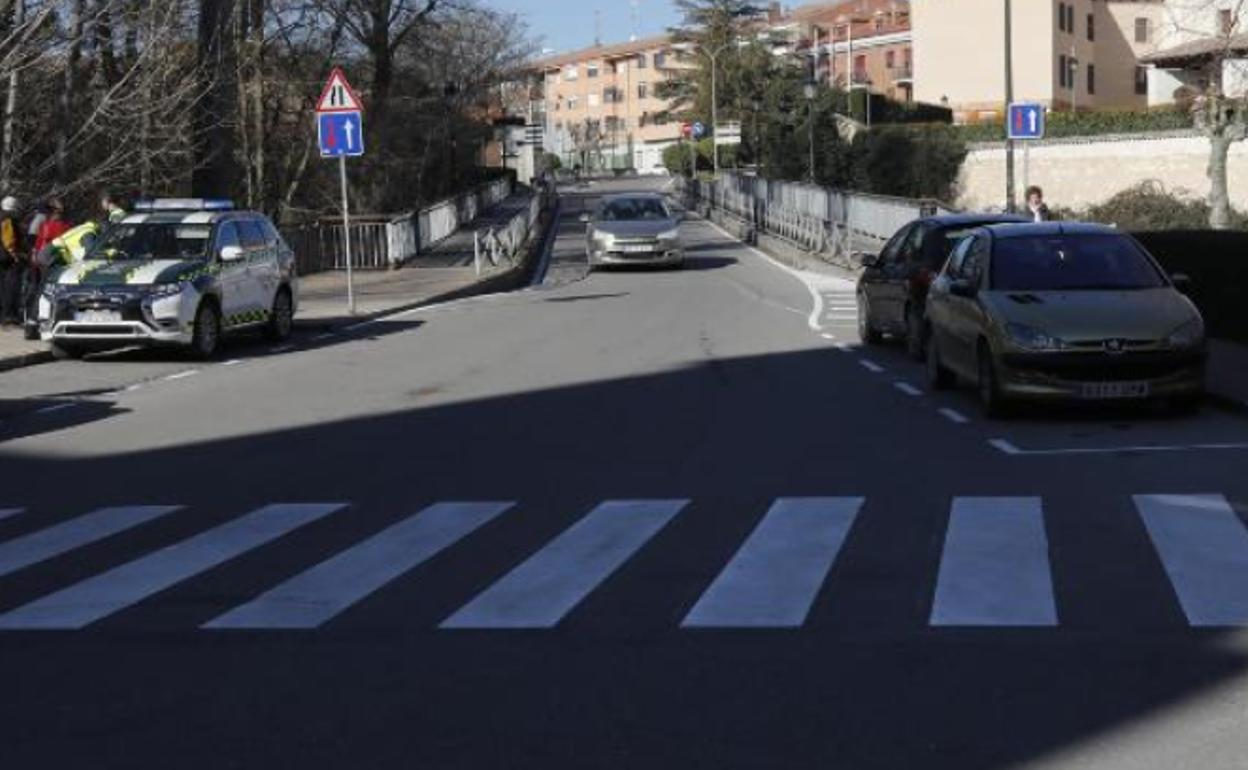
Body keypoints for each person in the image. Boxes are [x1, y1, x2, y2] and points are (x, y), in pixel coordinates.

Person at [0, 196, 24, 326]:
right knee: (11, 286)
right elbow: (8, 239)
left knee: (2, 286)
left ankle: (4, 314)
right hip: (7, 257)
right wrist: (14, 254)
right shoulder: (7, 219)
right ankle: (9, 315)